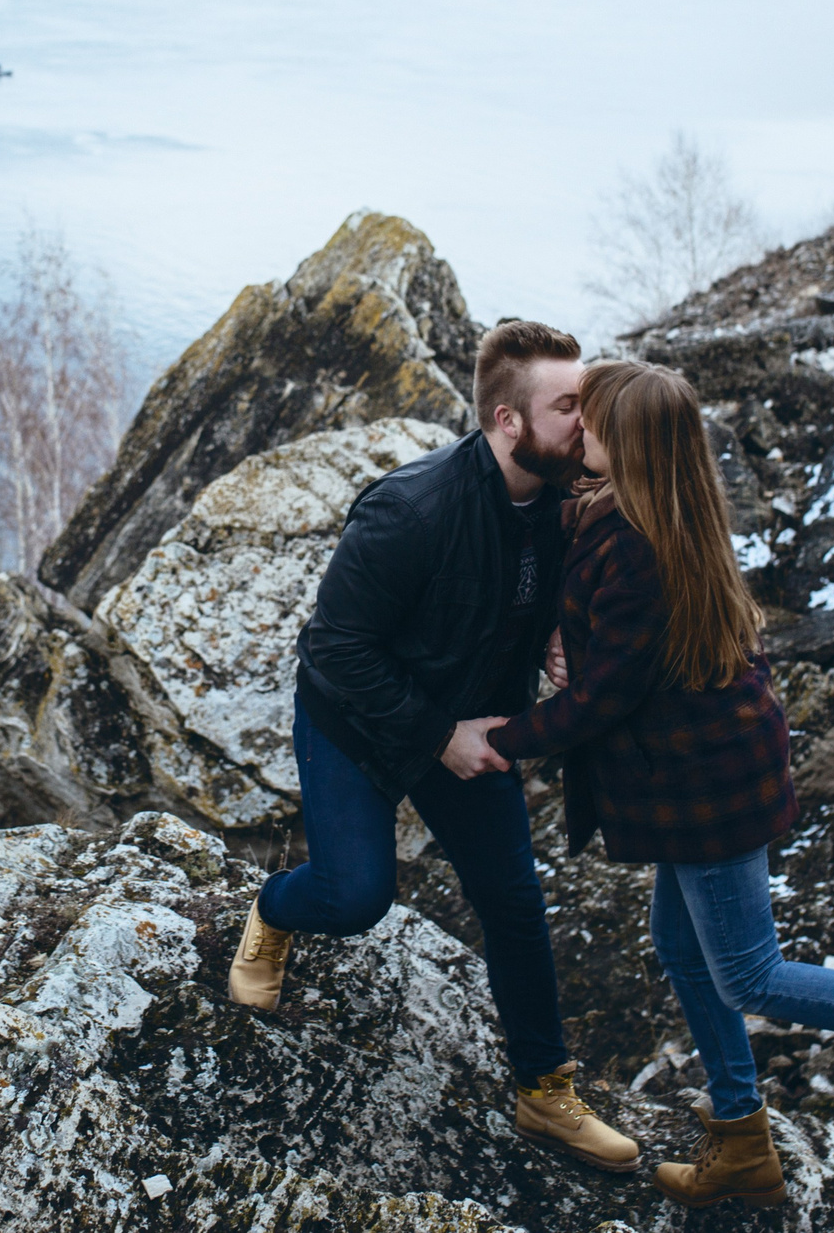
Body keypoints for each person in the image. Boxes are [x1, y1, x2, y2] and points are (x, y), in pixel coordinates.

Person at [483, 359, 834, 1210]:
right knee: (680, 945)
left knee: (749, 972)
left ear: (625, 444)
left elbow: (604, 700)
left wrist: (502, 738)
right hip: (696, 777)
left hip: (709, 788)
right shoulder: (648, 513)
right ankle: (742, 1143)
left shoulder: (637, 546)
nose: (576, 433)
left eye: (589, 421)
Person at [224, 319, 643, 1172]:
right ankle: (273, 908)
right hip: (360, 718)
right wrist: (436, 734)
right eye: (568, 405)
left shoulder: (568, 507)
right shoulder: (409, 509)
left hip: (473, 722)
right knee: (355, 895)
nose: (585, 421)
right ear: (506, 420)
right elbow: (334, 649)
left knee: (516, 905)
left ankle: (542, 1089)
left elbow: (526, 597)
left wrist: (556, 639)